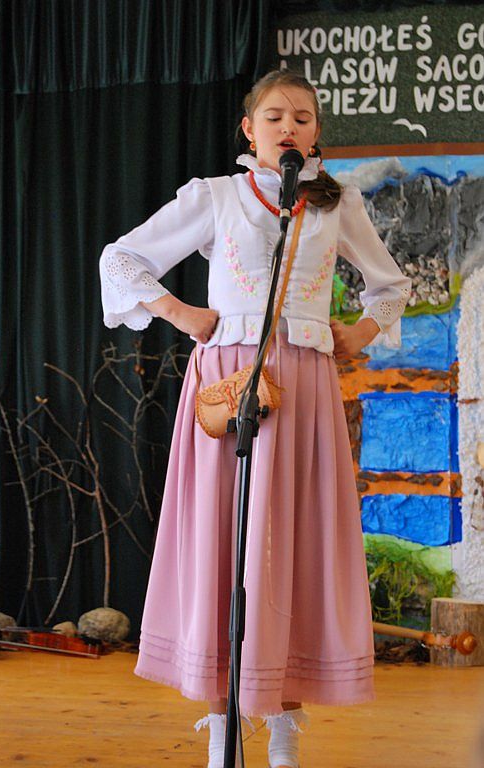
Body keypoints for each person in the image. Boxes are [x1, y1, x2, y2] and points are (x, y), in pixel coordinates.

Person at [99, 70, 411, 768]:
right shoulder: (215, 197)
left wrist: (358, 333)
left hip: (303, 387)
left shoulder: (335, 203)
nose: (288, 127)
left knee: (294, 543)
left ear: (316, 132)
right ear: (249, 128)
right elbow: (121, 259)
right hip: (231, 381)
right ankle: (221, 728)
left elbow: (390, 284)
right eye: (274, 116)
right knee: (224, 541)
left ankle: (285, 728)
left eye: (301, 117)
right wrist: (181, 313)